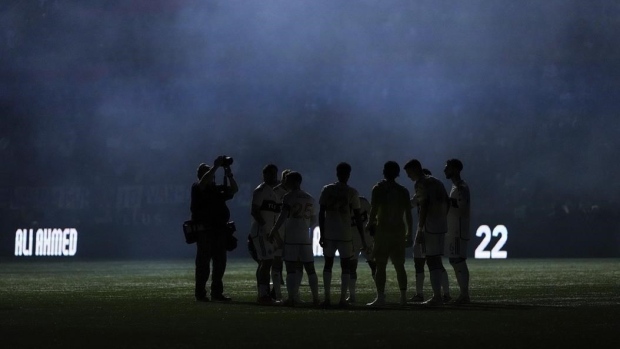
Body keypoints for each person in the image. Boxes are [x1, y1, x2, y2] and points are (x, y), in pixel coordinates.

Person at [318, 162, 367, 307]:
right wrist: (362, 238)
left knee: (328, 264)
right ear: (348, 174)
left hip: (330, 232)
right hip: (345, 234)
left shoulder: (327, 189)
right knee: (346, 266)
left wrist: (322, 233)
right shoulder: (352, 192)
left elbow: (322, 212)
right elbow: (357, 217)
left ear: (336, 173)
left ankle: (327, 299)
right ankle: (342, 300)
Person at [268, 172, 320, 306]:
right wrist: (304, 225)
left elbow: (282, 216)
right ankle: (316, 298)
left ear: (295, 182)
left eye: (289, 181)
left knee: (290, 267)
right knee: (310, 268)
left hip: (291, 236)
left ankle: (291, 298)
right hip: (305, 237)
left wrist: (274, 230)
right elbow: (314, 219)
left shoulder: (288, 197)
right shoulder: (310, 198)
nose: (286, 183)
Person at [191, 156, 238, 302]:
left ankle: (216, 293)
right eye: (207, 172)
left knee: (220, 264)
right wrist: (215, 166)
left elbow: (234, 189)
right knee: (203, 264)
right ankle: (200, 293)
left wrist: (228, 173)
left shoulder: (216, 189)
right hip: (205, 230)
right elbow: (203, 182)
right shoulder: (197, 187)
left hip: (219, 230)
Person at [366, 161, 412, 306]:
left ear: (384, 172)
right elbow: (409, 215)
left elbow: (373, 210)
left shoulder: (378, 188)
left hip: (383, 231)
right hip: (398, 231)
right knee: (399, 265)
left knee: (380, 265)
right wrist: (410, 233)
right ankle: (403, 297)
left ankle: (380, 297)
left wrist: (370, 224)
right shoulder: (403, 190)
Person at [404, 159, 450, 306]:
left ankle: (437, 296)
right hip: (441, 226)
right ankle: (444, 295)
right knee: (436, 260)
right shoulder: (437, 182)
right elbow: (447, 202)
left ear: (415, 169)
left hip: (429, 227)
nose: (408, 176)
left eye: (409, 173)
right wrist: (442, 219)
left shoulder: (420, 183)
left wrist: (420, 229)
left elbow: (423, 206)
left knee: (432, 261)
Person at [250, 164, 282, 305]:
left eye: (275, 174)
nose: (273, 176)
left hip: (269, 232)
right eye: (270, 174)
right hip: (262, 231)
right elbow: (255, 211)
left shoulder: (275, 192)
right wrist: (265, 228)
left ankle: (265, 293)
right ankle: (263, 295)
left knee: (267, 261)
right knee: (267, 261)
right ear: (264, 175)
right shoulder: (261, 190)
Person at [444, 159, 471, 304]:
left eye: (447, 168)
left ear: (455, 169)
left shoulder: (461, 187)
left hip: (458, 230)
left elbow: (461, 208)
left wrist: (446, 202)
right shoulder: (456, 187)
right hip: (454, 229)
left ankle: (464, 295)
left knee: (458, 260)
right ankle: (463, 294)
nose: (445, 170)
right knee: (455, 260)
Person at [347, 195, 375, 303]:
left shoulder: (362, 201)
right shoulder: (360, 201)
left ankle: (380, 293)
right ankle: (352, 295)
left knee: (373, 265)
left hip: (365, 238)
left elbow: (373, 215)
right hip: (355, 239)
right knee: (352, 267)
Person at [271, 168, 292, 301]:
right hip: (279, 229)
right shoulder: (276, 193)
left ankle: (290, 293)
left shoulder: (292, 193)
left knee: (291, 261)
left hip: (290, 229)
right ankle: (276, 291)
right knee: (276, 260)